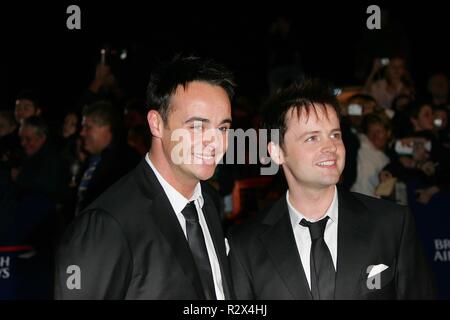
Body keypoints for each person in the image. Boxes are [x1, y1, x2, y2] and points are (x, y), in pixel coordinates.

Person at [228, 79, 436, 299]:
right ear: (277, 152)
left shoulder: (392, 224)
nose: (330, 147)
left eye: (335, 135)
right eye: (312, 138)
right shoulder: (245, 245)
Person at [55, 56, 235, 299]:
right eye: (196, 126)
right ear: (156, 124)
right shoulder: (107, 224)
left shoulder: (208, 202)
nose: (214, 142)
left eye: (222, 128)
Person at [75, 101, 140, 214]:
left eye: (88, 127)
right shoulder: (92, 160)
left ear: (106, 128)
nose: (82, 133)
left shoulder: (125, 164)